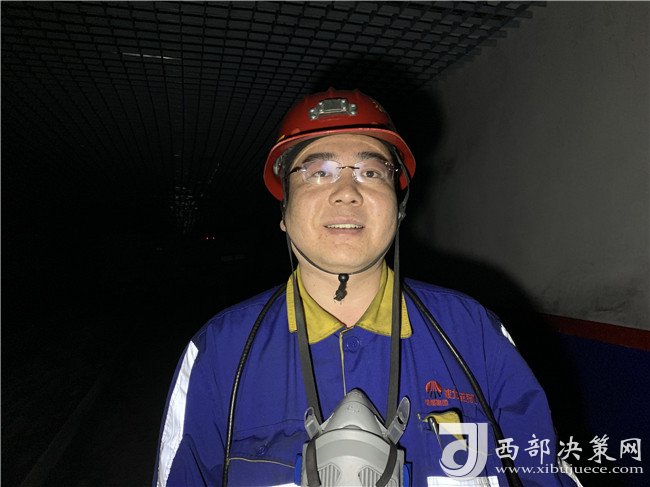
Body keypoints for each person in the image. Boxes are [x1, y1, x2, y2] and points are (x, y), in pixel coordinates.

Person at [154, 89, 581, 487]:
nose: (346, 192)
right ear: (284, 210)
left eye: (371, 171)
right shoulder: (221, 353)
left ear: (398, 207)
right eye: (317, 172)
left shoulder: (473, 333)